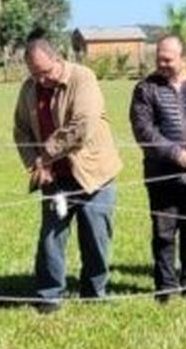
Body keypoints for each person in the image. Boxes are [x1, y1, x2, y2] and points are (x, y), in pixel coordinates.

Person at [12, 33, 122, 312]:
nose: (40, 79)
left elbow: (82, 125)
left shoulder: (83, 78)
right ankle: (49, 295)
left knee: (96, 235)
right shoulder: (29, 89)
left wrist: (45, 155)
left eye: (45, 72)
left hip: (93, 175)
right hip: (56, 181)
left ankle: (94, 292)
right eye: (34, 73)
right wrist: (35, 163)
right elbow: (21, 130)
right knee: (52, 235)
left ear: (58, 59)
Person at [129, 34, 186, 301]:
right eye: (158, 58)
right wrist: (173, 153)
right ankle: (166, 288)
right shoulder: (145, 89)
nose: (161, 63)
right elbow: (143, 129)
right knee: (163, 233)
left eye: (168, 59)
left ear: (184, 58)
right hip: (161, 174)